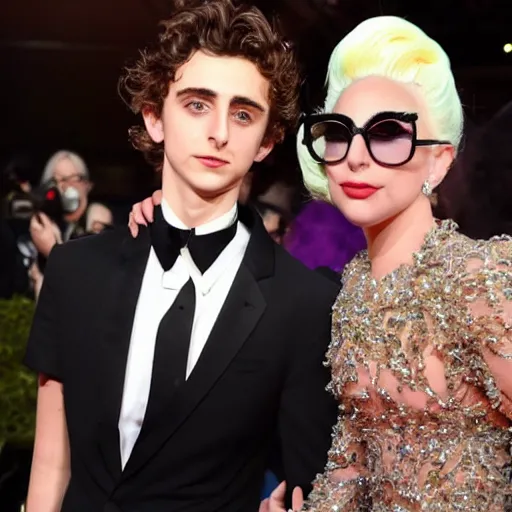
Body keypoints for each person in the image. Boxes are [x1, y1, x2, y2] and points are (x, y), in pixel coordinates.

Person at [23, 1, 338, 511]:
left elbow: (306, 480)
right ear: (154, 117)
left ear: (266, 140)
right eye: (196, 104)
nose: (219, 132)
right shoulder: (75, 272)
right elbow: (50, 466)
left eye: (242, 113)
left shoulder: (300, 303)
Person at [264, 15, 512, 512]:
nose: (356, 157)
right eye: (339, 133)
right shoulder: (353, 291)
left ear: (438, 162)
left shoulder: (477, 278)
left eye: (387, 134)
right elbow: (355, 455)